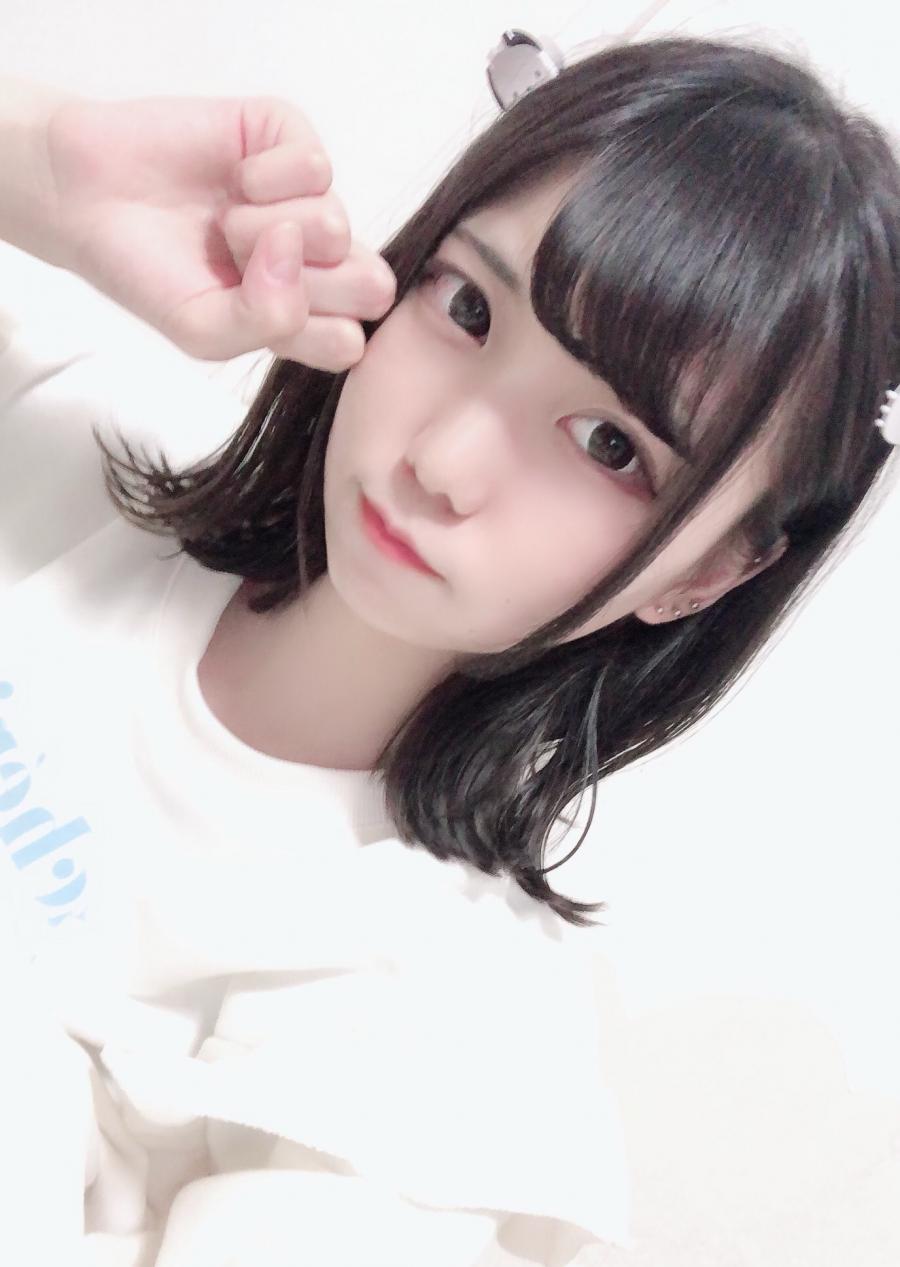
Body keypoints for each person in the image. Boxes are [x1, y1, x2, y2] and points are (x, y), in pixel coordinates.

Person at [1, 31, 898, 1267]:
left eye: (611, 446)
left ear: (709, 571)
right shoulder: (69, 451)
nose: (444, 459)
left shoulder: (441, 1037)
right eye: (468, 307)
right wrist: (45, 170)